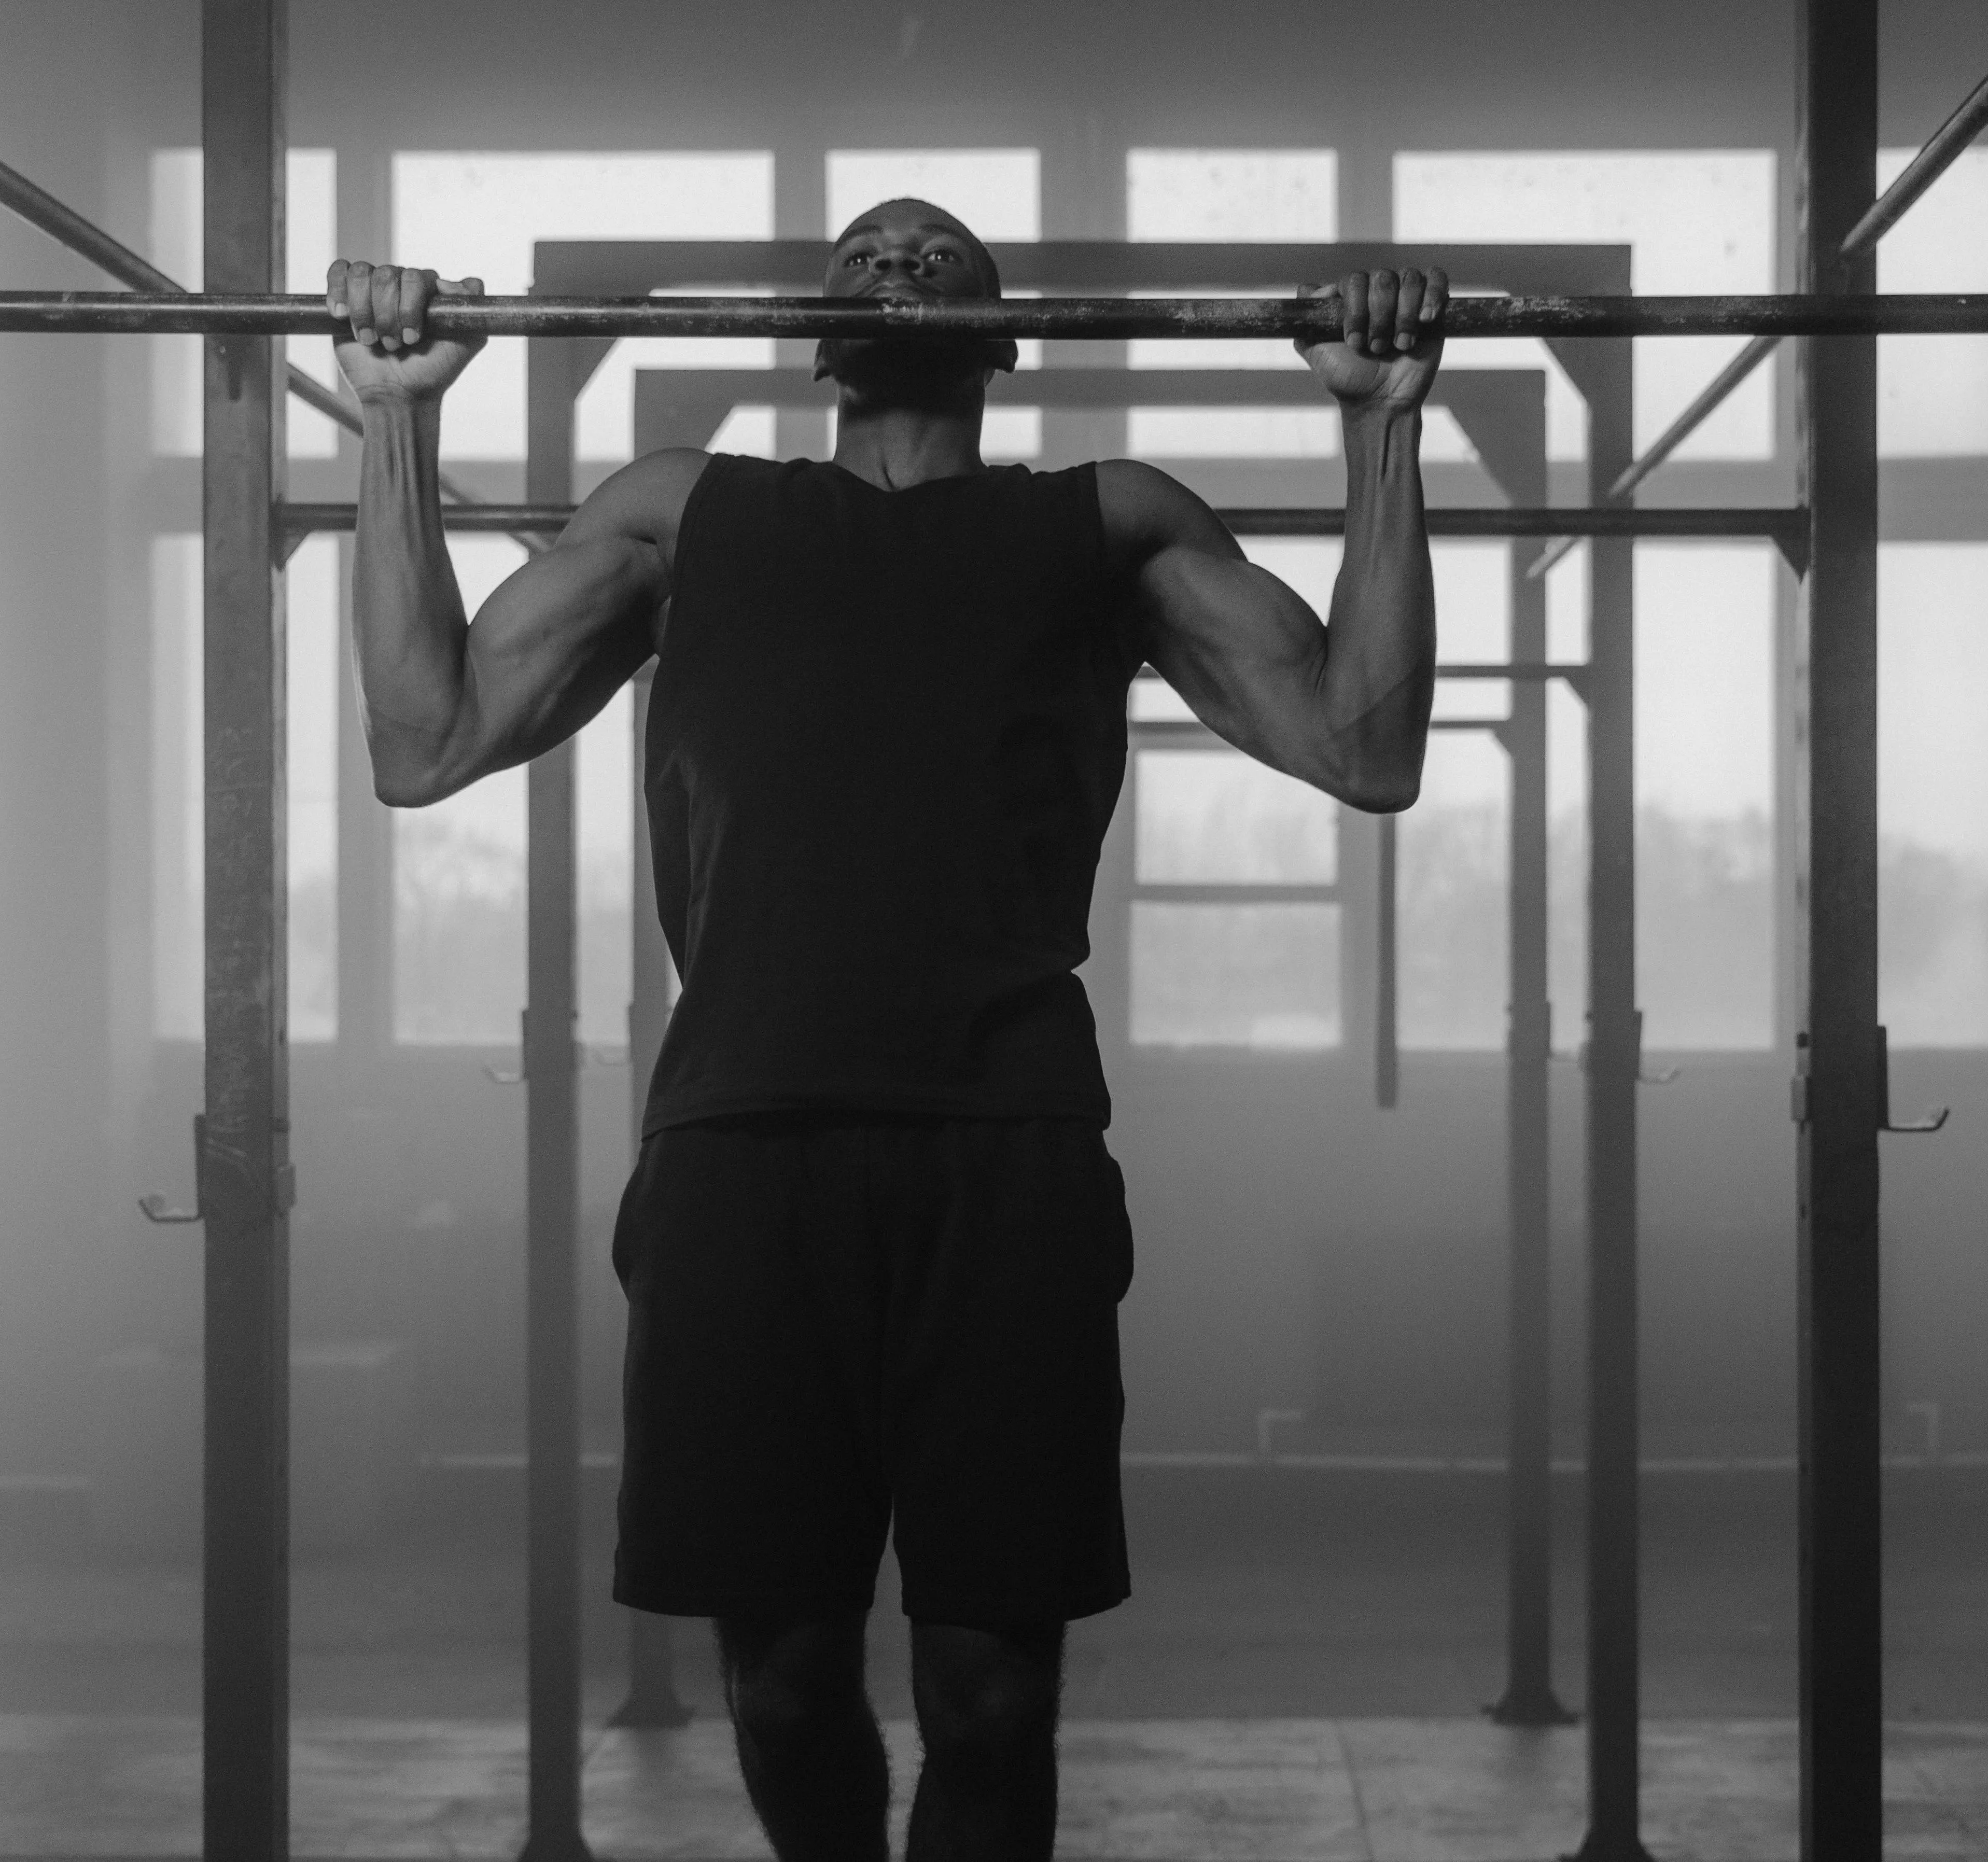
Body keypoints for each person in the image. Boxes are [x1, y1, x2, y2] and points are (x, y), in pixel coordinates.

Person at [329, 200, 1444, 1862]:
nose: (899, 268)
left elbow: (1365, 742)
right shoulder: (685, 512)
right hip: (742, 1154)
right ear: (815, 325)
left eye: (938, 258)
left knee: (993, 1695)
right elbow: (424, 738)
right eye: (863, 255)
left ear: (1002, 336)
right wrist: (399, 425)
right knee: (780, 1684)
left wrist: (1379, 426)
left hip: (1006, 1157)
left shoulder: (1107, 522)